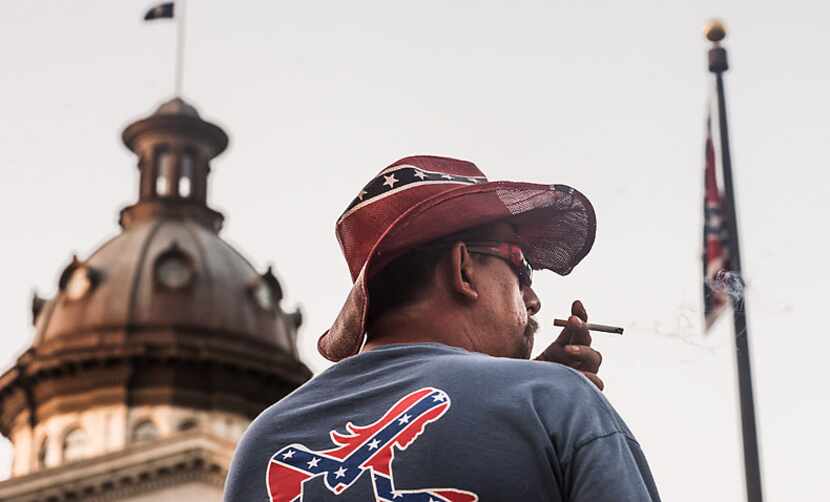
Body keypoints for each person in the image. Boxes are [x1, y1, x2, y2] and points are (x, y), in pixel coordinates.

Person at [224, 155, 661, 501]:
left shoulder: (266, 440)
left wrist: (521, 394)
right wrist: (544, 402)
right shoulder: (556, 401)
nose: (533, 300)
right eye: (521, 269)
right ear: (463, 268)